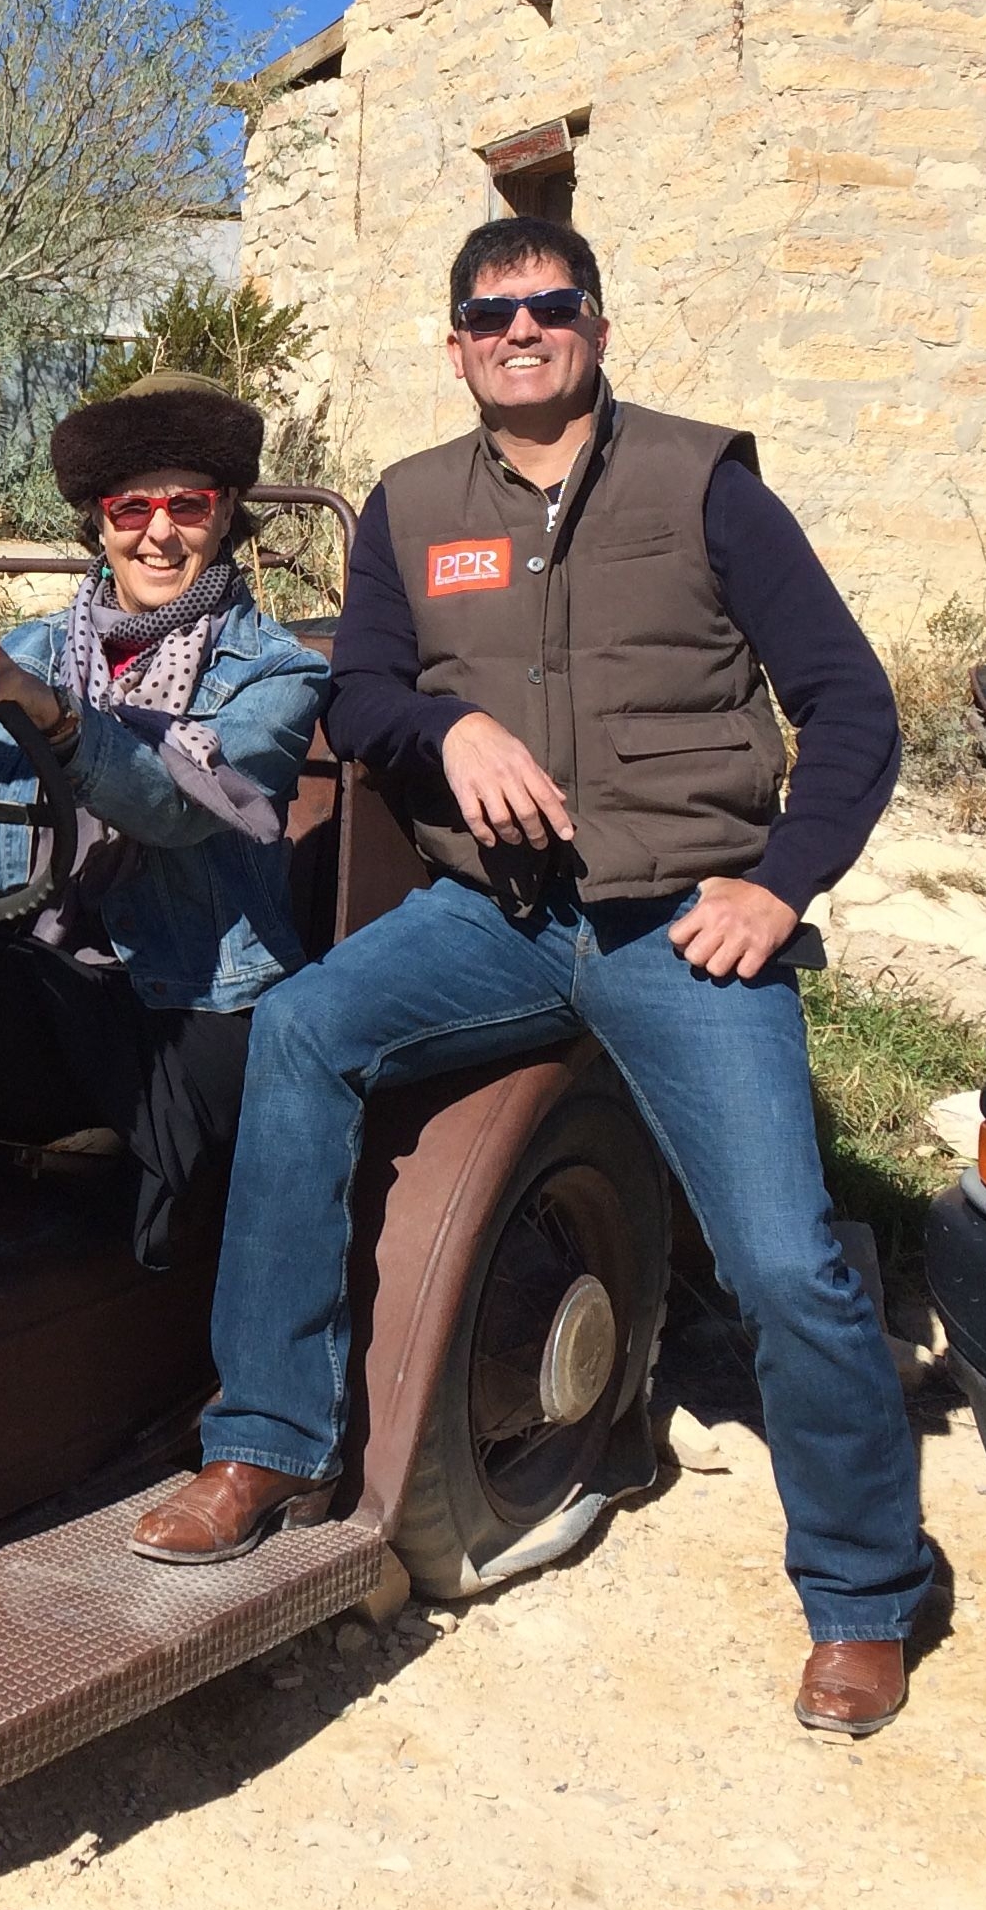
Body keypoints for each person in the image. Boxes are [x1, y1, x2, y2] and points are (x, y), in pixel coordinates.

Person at [129, 217, 931, 1741]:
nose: (521, 330)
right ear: (455, 345)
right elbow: (360, 694)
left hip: (679, 926)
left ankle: (864, 1594)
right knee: (301, 1034)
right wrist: (451, 734)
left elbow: (852, 708)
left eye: (550, 305)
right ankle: (270, 1443)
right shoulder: (413, 505)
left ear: (597, 325)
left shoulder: (707, 486)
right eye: (490, 314)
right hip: (490, 916)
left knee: (782, 1259)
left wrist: (777, 886)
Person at [0, 372, 331, 1268]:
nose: (158, 533)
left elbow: (173, 803)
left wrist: (50, 715)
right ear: (98, 520)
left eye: (188, 504)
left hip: (185, 1000)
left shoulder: (276, 675)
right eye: (130, 508)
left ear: (229, 507)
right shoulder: (34, 648)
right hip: (39, 968)